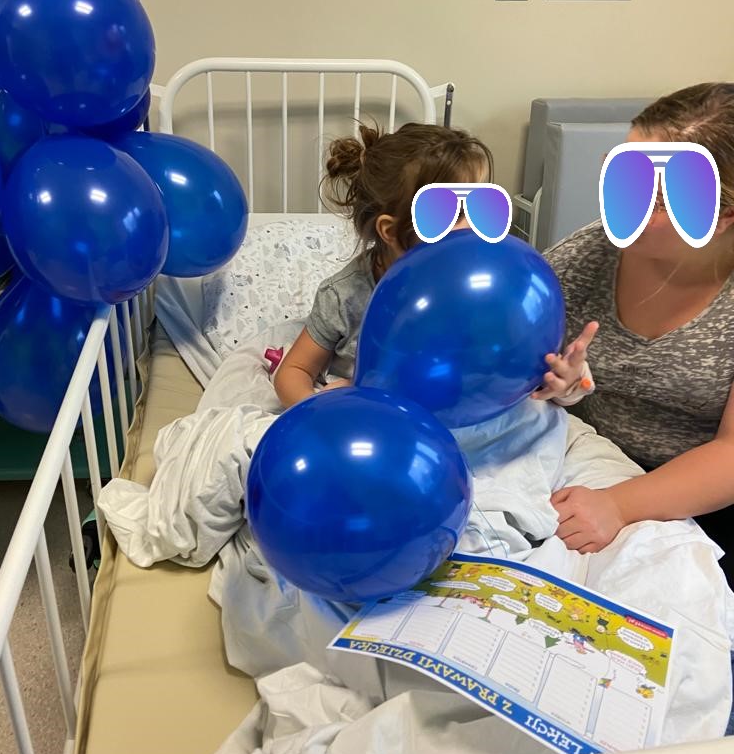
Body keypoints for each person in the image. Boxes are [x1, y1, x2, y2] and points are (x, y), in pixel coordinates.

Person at [542, 83, 734, 591]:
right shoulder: (582, 260)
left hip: (704, 494)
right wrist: (556, 384)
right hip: (584, 462)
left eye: (657, 197)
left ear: (723, 217)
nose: (621, 206)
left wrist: (618, 504)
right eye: (622, 176)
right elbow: (526, 374)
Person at [273, 121, 589, 410]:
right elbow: (294, 371)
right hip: (388, 420)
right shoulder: (346, 296)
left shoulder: (492, 287)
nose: (471, 227)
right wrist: (319, 408)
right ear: (390, 231)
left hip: (474, 418)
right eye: (449, 213)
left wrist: (566, 385)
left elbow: (530, 374)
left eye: (481, 205)